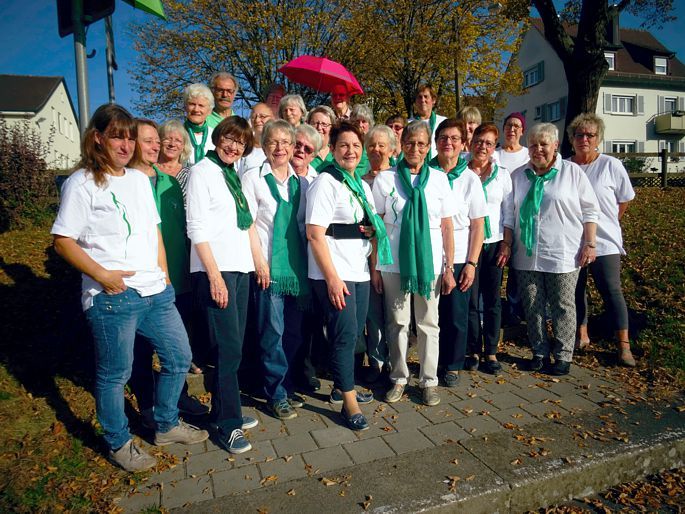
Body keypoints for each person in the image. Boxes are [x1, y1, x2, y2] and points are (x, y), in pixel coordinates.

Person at [51, 104, 208, 472]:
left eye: (129, 136)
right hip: (112, 298)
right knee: (114, 375)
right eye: (117, 136)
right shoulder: (82, 183)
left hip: (156, 291)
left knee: (179, 357)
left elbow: (153, 230)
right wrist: (102, 276)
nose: (125, 144)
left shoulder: (139, 179)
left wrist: (165, 275)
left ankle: (166, 424)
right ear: (97, 138)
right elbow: (63, 240)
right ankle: (118, 441)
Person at [306, 121, 392, 430]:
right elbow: (315, 234)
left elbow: (367, 228)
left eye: (356, 146)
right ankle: (349, 402)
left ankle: (339, 385)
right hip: (335, 272)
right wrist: (331, 278)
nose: (351, 151)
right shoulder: (325, 183)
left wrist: (367, 231)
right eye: (344, 145)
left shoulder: (361, 185)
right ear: (332, 149)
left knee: (353, 334)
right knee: (343, 336)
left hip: (359, 271)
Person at [185, 116, 259, 453]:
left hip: (239, 269)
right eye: (229, 138)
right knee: (227, 349)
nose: (233, 146)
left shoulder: (233, 175)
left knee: (234, 347)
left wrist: (256, 263)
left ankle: (226, 409)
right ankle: (228, 424)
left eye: (240, 143)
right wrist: (214, 275)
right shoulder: (203, 171)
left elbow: (243, 226)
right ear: (218, 137)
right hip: (218, 272)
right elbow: (196, 227)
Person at [127, 119, 208, 421]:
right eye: (155, 140)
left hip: (177, 273)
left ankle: (178, 397)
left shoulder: (171, 181)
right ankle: (147, 403)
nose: (161, 145)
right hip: (143, 277)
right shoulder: (130, 180)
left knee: (177, 344)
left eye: (159, 141)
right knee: (143, 346)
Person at [503, 122, 600, 376]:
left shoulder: (571, 173)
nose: (538, 150)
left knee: (563, 305)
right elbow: (510, 216)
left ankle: (563, 354)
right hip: (527, 254)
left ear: (555, 145)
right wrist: (508, 243)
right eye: (533, 145)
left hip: (563, 253)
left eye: (544, 144)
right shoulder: (519, 176)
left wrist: (590, 243)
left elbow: (590, 210)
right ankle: (538, 351)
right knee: (532, 305)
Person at [372, 120, 456, 406]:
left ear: (428, 146)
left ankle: (429, 380)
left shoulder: (440, 180)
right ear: (401, 145)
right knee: (397, 323)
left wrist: (449, 268)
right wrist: (375, 267)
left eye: (421, 144)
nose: (415, 149)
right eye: (409, 143)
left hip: (429, 265)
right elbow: (377, 226)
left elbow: (447, 227)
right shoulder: (386, 179)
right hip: (394, 263)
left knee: (428, 323)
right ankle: (398, 377)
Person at [242, 120, 311, 420]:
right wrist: (259, 262)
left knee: (293, 332)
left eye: (286, 142)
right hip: (268, 268)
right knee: (272, 331)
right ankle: (275, 393)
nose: (280, 147)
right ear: (264, 145)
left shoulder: (301, 182)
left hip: (296, 270)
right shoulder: (253, 178)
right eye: (274, 142)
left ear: (294, 146)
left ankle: (288, 384)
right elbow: (247, 224)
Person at [566, 113, 636, 367]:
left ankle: (623, 346)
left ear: (598, 139)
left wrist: (610, 221)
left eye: (590, 135)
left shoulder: (610, 165)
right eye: (579, 135)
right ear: (571, 139)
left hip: (604, 242)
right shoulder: (565, 166)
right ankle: (581, 335)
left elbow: (625, 198)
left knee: (611, 289)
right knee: (576, 290)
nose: (584, 139)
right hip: (573, 241)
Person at [430, 119, 486, 387]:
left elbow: (478, 225)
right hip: (429, 254)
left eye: (454, 138)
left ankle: (452, 364)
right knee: (431, 316)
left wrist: (472, 263)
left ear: (463, 143)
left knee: (456, 315)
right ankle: (433, 362)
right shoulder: (425, 174)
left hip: (461, 255)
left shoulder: (469, 179)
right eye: (443, 137)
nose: (448, 143)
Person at [463, 123, 513, 375]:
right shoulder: (462, 171)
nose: (482, 146)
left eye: (488, 143)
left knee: (492, 299)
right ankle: (472, 349)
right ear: (471, 143)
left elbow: (509, 212)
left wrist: (506, 242)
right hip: (468, 244)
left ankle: (490, 351)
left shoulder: (502, 175)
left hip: (493, 243)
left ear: (495, 148)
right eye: (479, 141)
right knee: (470, 299)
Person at [361, 124, 396, 383]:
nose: (376, 150)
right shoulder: (361, 182)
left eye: (382, 145)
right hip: (369, 257)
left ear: (392, 149)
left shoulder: (399, 180)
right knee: (373, 313)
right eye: (372, 145)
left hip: (394, 257)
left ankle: (395, 361)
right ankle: (376, 361)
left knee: (395, 313)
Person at [156, 119, 192, 198]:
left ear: (183, 146)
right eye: (167, 139)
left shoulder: (190, 175)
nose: (172, 144)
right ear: (159, 142)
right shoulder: (148, 169)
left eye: (178, 140)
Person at [238, 103, 274, 178]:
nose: (257, 120)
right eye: (253, 117)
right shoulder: (243, 146)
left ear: (273, 118)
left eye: (262, 116)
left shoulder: (280, 148)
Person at [183, 83, 215, 165]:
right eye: (192, 104)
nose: (196, 109)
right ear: (185, 107)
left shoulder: (216, 136)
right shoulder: (177, 134)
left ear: (209, 111)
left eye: (201, 105)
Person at [412, 85, 446, 160]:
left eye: (426, 96)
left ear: (433, 100)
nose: (422, 100)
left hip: (439, 166)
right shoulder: (408, 124)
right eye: (419, 97)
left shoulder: (443, 122)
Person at [307, 105, 336, 172]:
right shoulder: (303, 153)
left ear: (331, 128)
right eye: (315, 123)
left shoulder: (337, 153)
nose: (319, 128)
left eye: (324, 124)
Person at [350, 104, 373, 177]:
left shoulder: (373, 143)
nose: (360, 125)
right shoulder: (347, 142)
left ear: (370, 124)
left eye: (364, 121)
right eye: (357, 121)